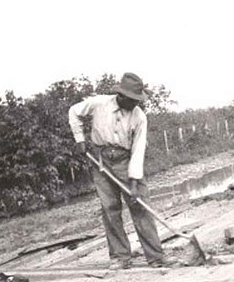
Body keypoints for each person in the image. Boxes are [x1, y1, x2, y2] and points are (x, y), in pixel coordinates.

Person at [69, 72, 178, 270]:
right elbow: (73, 112)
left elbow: (138, 150)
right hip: (100, 161)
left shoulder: (139, 117)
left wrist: (134, 182)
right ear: (122, 96)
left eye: (138, 100)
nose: (136, 104)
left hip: (126, 160)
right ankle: (120, 257)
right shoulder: (99, 103)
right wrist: (80, 140)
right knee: (110, 208)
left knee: (140, 206)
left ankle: (156, 257)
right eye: (133, 100)